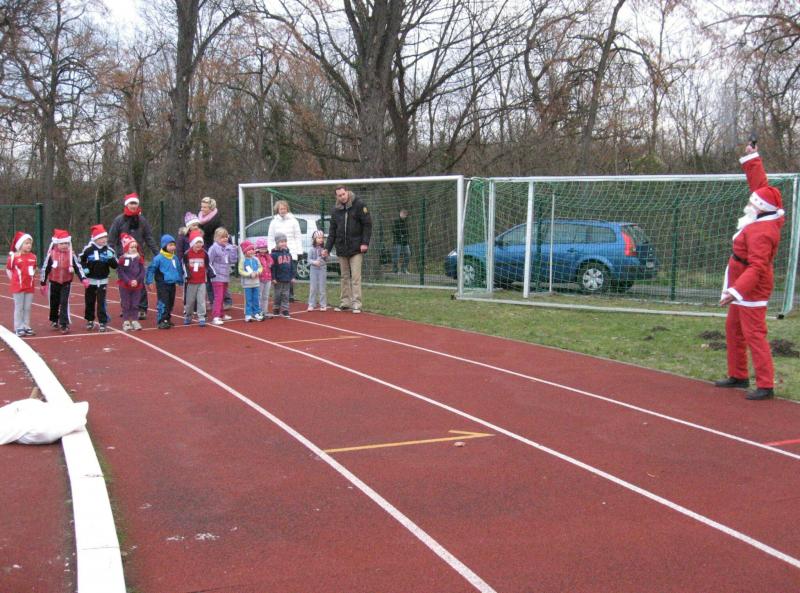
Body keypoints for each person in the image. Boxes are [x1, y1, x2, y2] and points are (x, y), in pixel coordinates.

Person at [715, 142, 785, 400]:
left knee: (754, 333)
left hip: (752, 286)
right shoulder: (764, 211)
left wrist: (735, 291)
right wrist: (752, 156)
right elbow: (761, 187)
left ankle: (765, 384)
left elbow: (757, 267)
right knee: (733, 328)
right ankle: (739, 374)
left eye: (753, 203)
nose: (750, 204)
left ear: (761, 208)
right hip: (740, 280)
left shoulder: (762, 232)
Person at [107, 193, 159, 320]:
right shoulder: (119, 220)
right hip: (123, 257)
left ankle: (141, 308)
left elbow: (148, 237)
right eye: (131, 203)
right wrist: (110, 253)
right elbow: (112, 239)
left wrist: (157, 253)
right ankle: (126, 308)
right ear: (126, 204)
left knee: (139, 282)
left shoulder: (142, 220)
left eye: (135, 203)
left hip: (137, 256)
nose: (133, 205)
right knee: (125, 283)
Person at [322, 185, 372, 313]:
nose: (342, 197)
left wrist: (365, 243)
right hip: (341, 248)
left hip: (356, 248)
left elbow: (367, 225)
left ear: (347, 192)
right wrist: (327, 248)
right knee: (344, 277)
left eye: (343, 194)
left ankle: (357, 304)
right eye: (339, 195)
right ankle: (345, 302)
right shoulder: (335, 210)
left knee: (355, 277)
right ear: (336, 196)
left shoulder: (359, 205)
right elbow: (332, 232)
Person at [40, 229, 88, 334]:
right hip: (54, 282)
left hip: (66, 283)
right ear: (56, 244)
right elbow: (45, 268)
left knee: (64, 302)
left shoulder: (71, 255)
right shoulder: (51, 255)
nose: (64, 245)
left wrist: (83, 278)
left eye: (66, 243)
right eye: (62, 243)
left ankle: (64, 323)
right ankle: (54, 319)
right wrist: (43, 283)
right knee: (54, 302)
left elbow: (78, 267)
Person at [79, 224, 118, 332]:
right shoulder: (88, 249)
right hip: (90, 281)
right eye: (101, 238)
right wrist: (85, 268)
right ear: (95, 239)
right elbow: (81, 260)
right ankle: (90, 320)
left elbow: (115, 265)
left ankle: (102, 322)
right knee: (89, 301)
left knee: (101, 302)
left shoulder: (109, 250)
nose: (104, 240)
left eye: (105, 237)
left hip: (103, 280)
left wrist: (111, 258)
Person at [198, 196, 232, 311]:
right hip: (206, 249)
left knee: (219, 277)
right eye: (202, 207)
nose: (202, 209)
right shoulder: (200, 220)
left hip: (217, 252)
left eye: (205, 207)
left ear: (211, 208)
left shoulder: (215, 221)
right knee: (208, 276)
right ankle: (213, 301)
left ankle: (226, 301)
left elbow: (224, 236)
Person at [146, 234, 184, 330]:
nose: (173, 247)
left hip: (172, 284)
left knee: (171, 302)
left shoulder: (174, 258)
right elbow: (151, 269)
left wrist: (180, 280)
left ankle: (167, 318)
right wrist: (149, 281)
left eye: (173, 245)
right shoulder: (158, 258)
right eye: (170, 245)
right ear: (164, 246)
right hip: (162, 284)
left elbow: (179, 269)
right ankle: (161, 320)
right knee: (163, 302)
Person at [267, 200, 302, 302]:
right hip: (277, 253)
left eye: (284, 208)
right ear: (277, 210)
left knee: (289, 272)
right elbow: (270, 237)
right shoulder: (274, 222)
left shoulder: (294, 221)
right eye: (281, 209)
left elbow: (298, 236)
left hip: (291, 251)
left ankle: (290, 295)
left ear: (287, 209)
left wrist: (298, 251)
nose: (283, 210)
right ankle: (279, 295)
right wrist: (271, 250)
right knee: (279, 273)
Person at [6, 231, 37, 337]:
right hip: (18, 287)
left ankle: (26, 325)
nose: (29, 245)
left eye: (30, 243)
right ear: (20, 245)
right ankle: (18, 327)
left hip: (29, 286)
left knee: (27, 307)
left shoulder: (33, 256)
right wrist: (14, 280)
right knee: (19, 307)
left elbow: (34, 269)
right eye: (26, 243)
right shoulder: (13, 257)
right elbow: (9, 270)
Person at [207, 227, 238, 326]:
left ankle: (221, 313)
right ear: (216, 238)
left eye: (226, 237)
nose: (225, 239)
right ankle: (216, 316)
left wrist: (233, 250)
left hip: (225, 275)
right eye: (222, 237)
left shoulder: (228, 247)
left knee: (223, 296)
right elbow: (208, 261)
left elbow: (233, 260)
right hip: (217, 276)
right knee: (218, 296)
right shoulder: (213, 248)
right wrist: (212, 273)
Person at [117, 233, 146, 331]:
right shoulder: (122, 259)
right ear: (126, 248)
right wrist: (129, 281)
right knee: (126, 303)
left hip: (137, 286)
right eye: (131, 247)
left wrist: (137, 280)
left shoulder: (139, 258)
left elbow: (142, 271)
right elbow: (121, 272)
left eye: (135, 247)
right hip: (125, 286)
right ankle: (126, 321)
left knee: (135, 303)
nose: (134, 249)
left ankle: (134, 320)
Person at [183, 230, 212, 327]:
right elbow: (184, 265)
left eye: (200, 242)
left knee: (201, 300)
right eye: (196, 242)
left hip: (202, 281)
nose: (199, 245)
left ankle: (201, 317)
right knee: (190, 301)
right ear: (192, 243)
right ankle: (188, 315)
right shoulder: (187, 254)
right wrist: (187, 275)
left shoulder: (204, 253)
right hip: (191, 281)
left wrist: (211, 272)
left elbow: (208, 264)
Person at [238, 240, 263, 322]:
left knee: (256, 299)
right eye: (249, 250)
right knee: (248, 299)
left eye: (252, 249)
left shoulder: (256, 259)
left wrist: (257, 272)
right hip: (247, 284)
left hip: (256, 283)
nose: (251, 251)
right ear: (245, 252)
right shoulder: (243, 260)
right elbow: (240, 270)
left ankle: (256, 313)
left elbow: (260, 267)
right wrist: (249, 274)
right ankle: (248, 314)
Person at [270, 232, 293, 318]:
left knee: (286, 295)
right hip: (278, 279)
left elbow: (291, 266)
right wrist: (273, 278)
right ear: (277, 243)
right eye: (281, 242)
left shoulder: (288, 254)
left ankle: (285, 310)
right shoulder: (273, 255)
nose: (283, 243)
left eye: (285, 241)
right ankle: (276, 308)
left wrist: (292, 276)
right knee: (278, 294)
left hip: (287, 278)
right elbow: (273, 267)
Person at [307, 230, 327, 311]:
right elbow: (308, 260)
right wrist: (314, 262)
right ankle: (311, 304)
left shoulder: (324, 249)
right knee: (313, 287)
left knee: (322, 287)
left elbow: (327, 259)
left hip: (322, 269)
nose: (321, 239)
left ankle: (323, 304)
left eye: (322, 238)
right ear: (314, 239)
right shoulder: (311, 249)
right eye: (319, 238)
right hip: (313, 270)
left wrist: (325, 256)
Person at [254, 238, 273, 319]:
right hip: (260, 279)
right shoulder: (256, 257)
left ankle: (265, 311)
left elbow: (271, 262)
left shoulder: (267, 256)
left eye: (265, 248)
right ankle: (258, 311)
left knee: (266, 296)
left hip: (268, 278)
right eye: (261, 248)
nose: (263, 250)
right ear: (258, 248)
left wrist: (267, 256)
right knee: (259, 295)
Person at [391, 208, 411, 274]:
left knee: (408, 254)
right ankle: (395, 270)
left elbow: (407, 232)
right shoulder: (396, 221)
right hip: (397, 241)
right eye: (403, 213)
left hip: (405, 241)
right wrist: (401, 235)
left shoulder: (406, 222)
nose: (404, 215)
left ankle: (404, 269)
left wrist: (406, 238)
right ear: (400, 213)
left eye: (405, 214)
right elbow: (394, 230)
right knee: (396, 256)